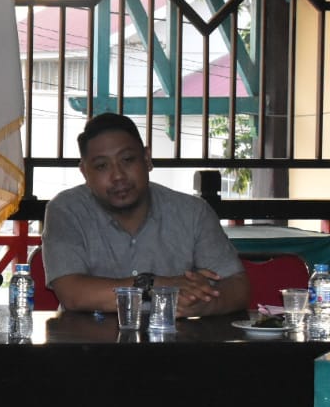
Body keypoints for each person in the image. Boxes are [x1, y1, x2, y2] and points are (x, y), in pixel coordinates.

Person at [41, 112, 250, 315]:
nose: (118, 176)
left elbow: (237, 286)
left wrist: (204, 304)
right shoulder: (66, 210)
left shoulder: (192, 212)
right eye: (102, 166)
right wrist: (156, 285)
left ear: (147, 159)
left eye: (128, 160)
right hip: (89, 345)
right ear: (85, 173)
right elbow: (73, 294)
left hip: (174, 342)